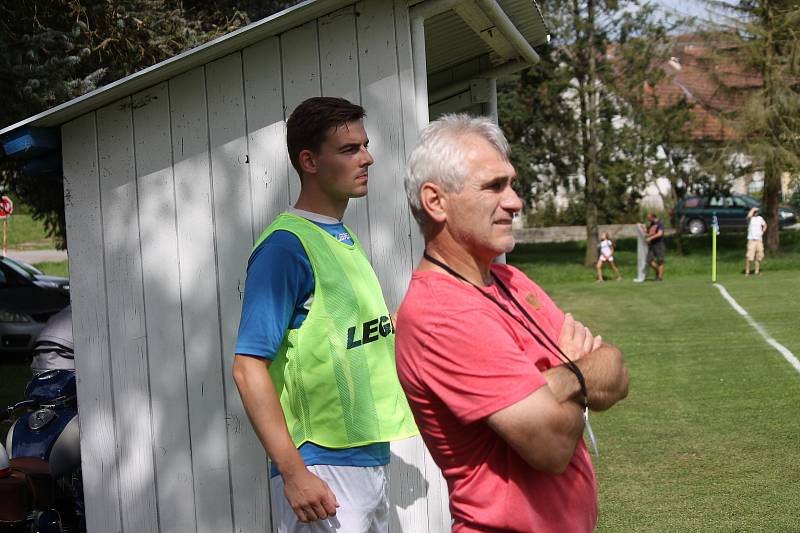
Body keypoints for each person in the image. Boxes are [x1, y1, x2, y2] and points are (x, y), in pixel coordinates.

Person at [395, 114, 629, 533]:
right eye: (494, 186)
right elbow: (552, 446)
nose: (515, 201)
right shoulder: (442, 314)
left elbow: (616, 372)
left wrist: (554, 383)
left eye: (512, 183)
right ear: (436, 201)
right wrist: (578, 370)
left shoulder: (511, 280)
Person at [232, 97, 418, 533]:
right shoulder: (285, 247)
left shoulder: (341, 237)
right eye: (350, 149)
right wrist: (294, 473)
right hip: (323, 469)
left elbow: (351, 336)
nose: (367, 158)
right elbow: (247, 367)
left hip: (368, 459)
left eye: (365, 146)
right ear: (309, 160)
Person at [745, 206, 767, 276]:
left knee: (759, 256)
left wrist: (763, 231)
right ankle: (747, 271)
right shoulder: (750, 219)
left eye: (757, 212)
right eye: (755, 212)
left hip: (759, 240)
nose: (756, 213)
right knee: (749, 257)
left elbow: (765, 225)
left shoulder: (760, 218)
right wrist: (753, 209)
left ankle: (756, 271)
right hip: (752, 240)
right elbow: (748, 216)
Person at [645, 213, 666, 281]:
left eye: (649, 218)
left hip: (659, 244)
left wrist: (650, 238)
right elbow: (650, 233)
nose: (648, 220)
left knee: (660, 261)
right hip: (652, 245)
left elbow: (660, 234)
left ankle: (659, 277)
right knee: (649, 260)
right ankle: (659, 272)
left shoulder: (660, 224)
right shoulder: (652, 224)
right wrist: (644, 229)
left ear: (653, 217)